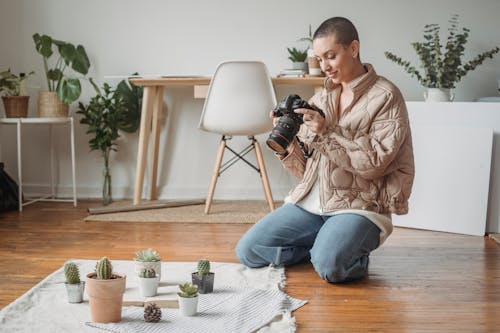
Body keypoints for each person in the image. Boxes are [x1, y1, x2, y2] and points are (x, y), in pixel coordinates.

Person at [235, 16, 415, 283]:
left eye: (330, 56)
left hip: (360, 205)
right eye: (319, 59)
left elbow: (375, 164)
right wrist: (288, 145)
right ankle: (324, 245)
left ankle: (339, 250)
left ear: (353, 49)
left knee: (331, 267)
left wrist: (326, 132)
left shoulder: (386, 96)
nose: (325, 66)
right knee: (249, 251)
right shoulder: (322, 97)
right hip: (312, 203)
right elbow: (305, 171)